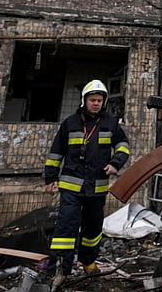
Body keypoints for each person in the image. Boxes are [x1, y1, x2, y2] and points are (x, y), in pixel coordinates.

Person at [43, 79, 130, 287]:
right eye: (92, 100)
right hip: (71, 187)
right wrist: (50, 178)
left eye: (99, 100)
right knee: (66, 229)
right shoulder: (70, 123)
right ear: (84, 101)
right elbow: (56, 152)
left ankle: (88, 262)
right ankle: (59, 270)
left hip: (97, 188)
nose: (96, 103)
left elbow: (123, 146)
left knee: (93, 229)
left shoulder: (110, 123)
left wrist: (115, 163)